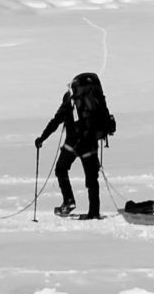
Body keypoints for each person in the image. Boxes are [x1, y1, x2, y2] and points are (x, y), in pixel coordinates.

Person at [36, 72, 116, 220]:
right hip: (90, 143)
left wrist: (42, 138)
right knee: (92, 179)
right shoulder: (95, 99)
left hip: (72, 144)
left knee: (61, 169)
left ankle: (69, 201)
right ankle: (94, 212)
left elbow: (56, 121)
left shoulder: (70, 100)